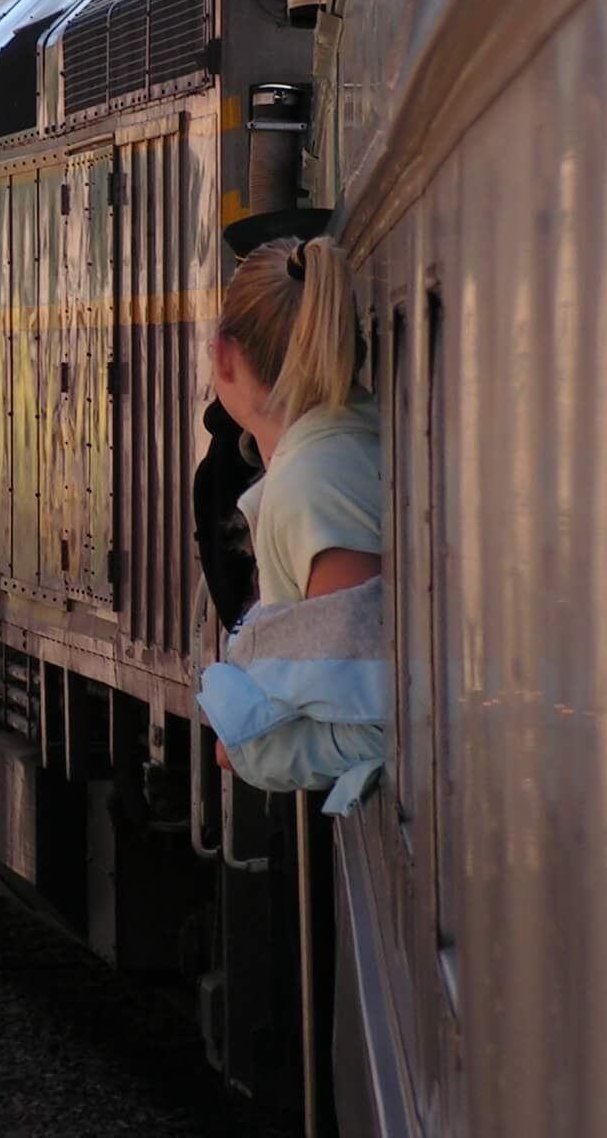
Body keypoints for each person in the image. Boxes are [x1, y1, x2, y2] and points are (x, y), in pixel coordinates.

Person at [198, 234, 388, 814]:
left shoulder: (317, 484)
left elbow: (377, 717)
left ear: (224, 354)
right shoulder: (337, 455)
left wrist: (247, 749)